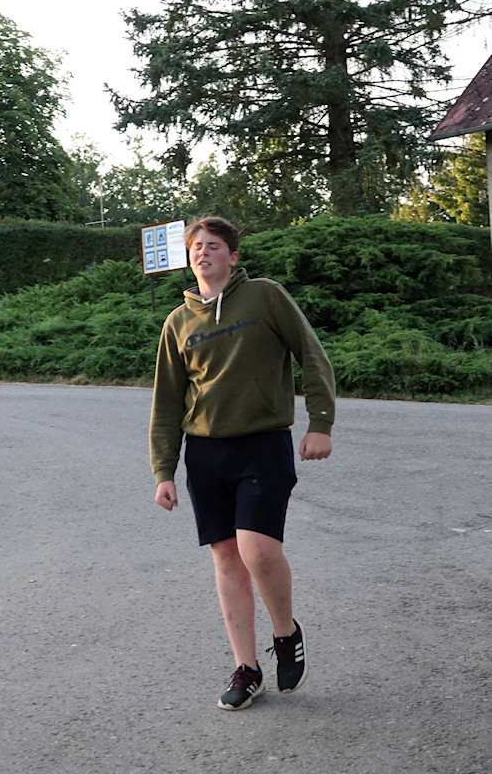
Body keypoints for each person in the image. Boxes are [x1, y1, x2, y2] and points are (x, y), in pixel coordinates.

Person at [150, 216, 335, 711]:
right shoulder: (178, 322)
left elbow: (312, 356)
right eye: (196, 246)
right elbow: (166, 402)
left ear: (233, 256)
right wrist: (164, 470)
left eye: (213, 246)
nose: (203, 253)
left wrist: (320, 422)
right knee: (227, 558)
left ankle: (285, 633)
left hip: (263, 444)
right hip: (205, 453)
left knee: (258, 550)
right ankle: (246, 668)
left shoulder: (265, 296)